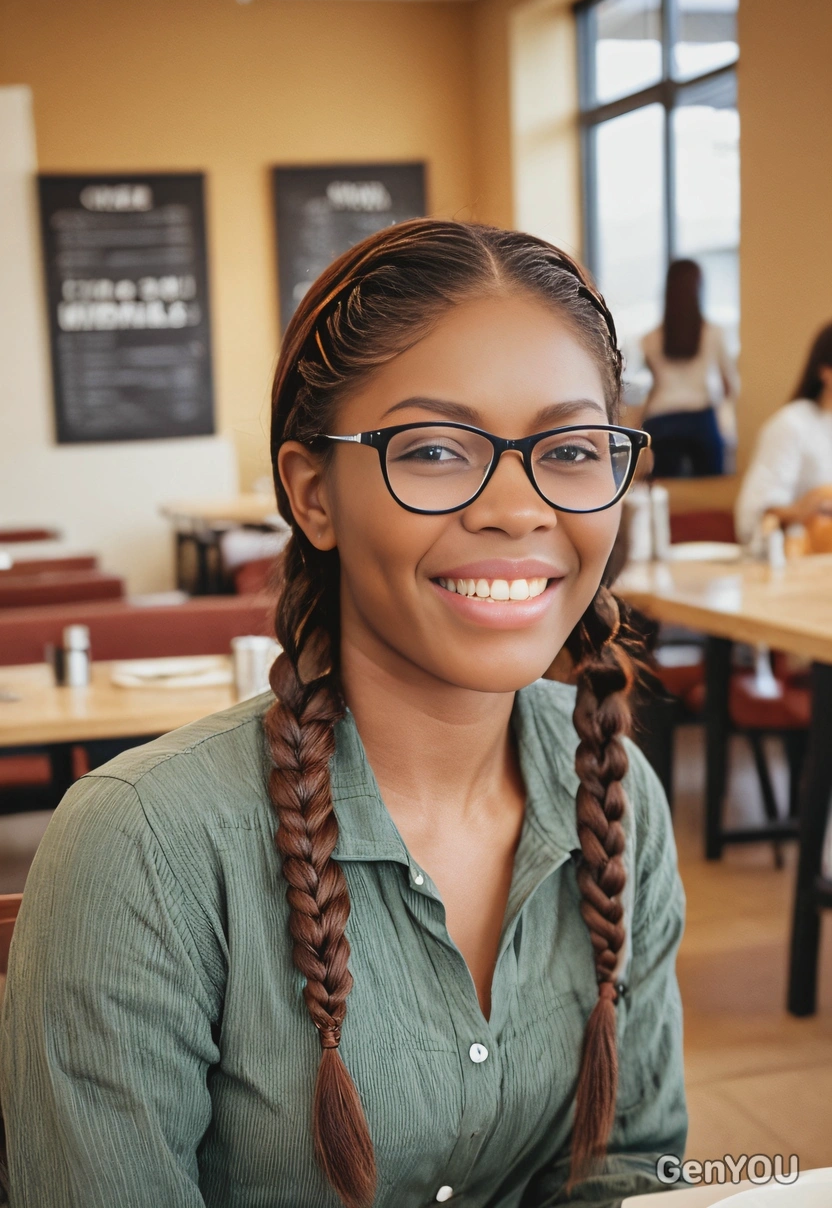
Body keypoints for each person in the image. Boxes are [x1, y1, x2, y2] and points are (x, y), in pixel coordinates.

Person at [0, 221, 686, 1208]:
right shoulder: (144, 848)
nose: (516, 506)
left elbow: (631, 1168)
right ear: (312, 494)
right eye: (438, 449)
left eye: (571, 447)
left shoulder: (617, 796)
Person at [735, 322, 832, 549]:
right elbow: (752, 519)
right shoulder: (792, 424)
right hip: (806, 564)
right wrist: (804, 508)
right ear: (825, 371)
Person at [638, 259, 739, 477]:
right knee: (711, 489)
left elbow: (655, 386)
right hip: (700, 419)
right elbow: (730, 386)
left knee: (665, 489)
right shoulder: (713, 333)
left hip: (660, 419)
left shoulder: (648, 339)